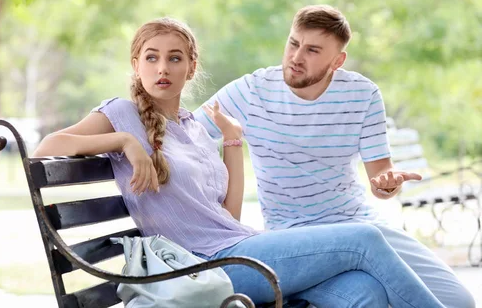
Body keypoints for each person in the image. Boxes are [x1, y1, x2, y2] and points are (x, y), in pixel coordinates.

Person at [32, 17, 445, 307]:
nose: (163, 68)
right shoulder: (122, 114)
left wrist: (232, 142)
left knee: (363, 292)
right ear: (135, 65)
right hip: (205, 268)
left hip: (235, 249)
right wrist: (124, 141)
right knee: (365, 239)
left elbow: (227, 215)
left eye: (175, 58)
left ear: (192, 68)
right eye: (151, 57)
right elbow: (45, 146)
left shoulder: (193, 126)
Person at [194, 5, 475, 308]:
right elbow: (185, 134)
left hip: (361, 225)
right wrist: (134, 142)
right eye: (293, 43)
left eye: (313, 50)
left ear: (337, 61)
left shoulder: (362, 94)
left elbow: (380, 177)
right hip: (296, 237)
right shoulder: (251, 91)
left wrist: (387, 183)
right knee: (369, 296)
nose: (296, 57)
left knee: (459, 300)